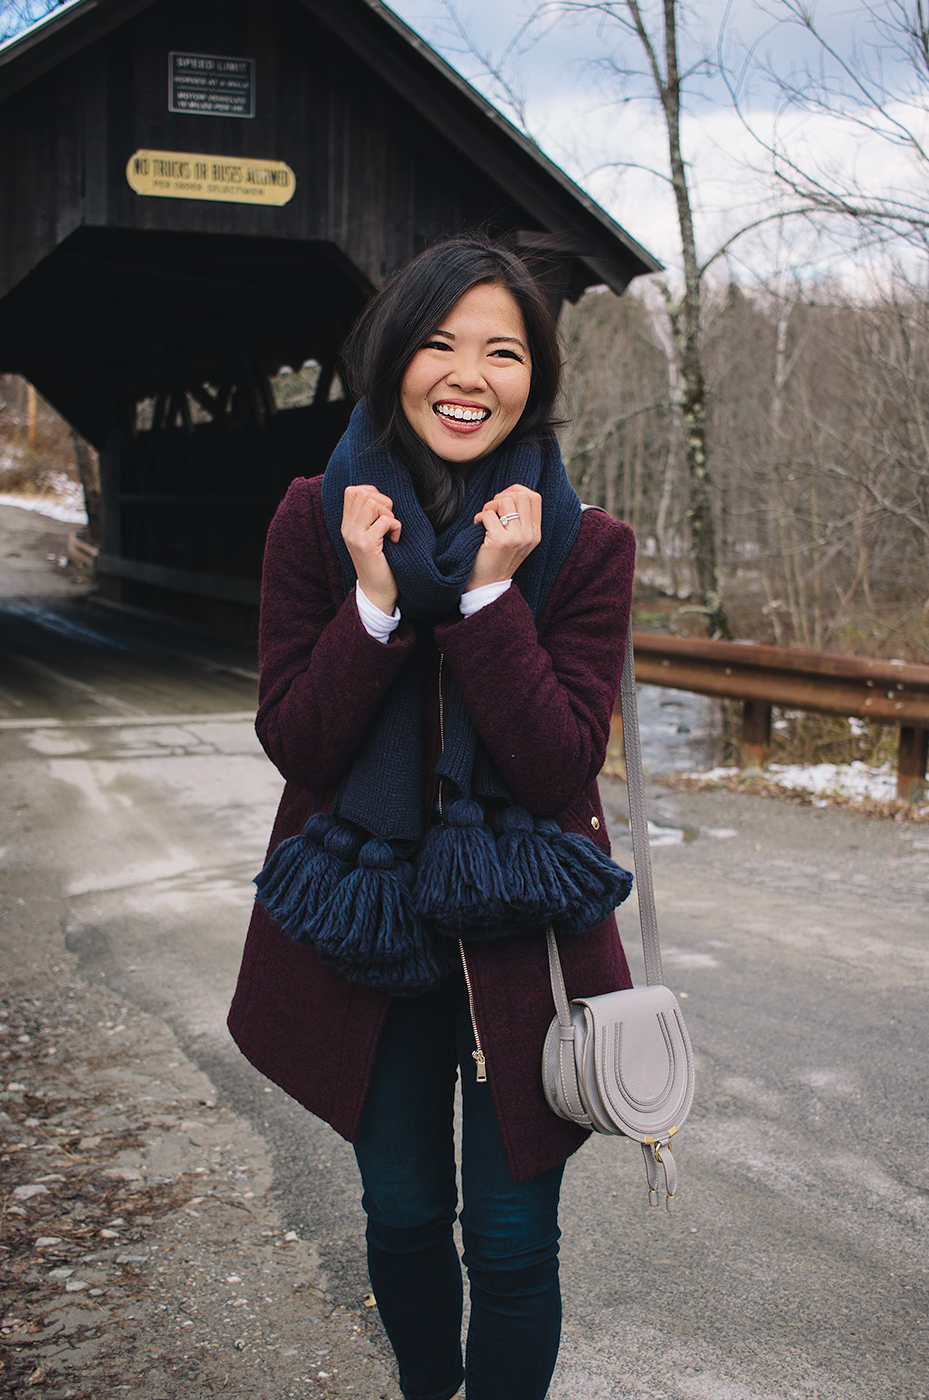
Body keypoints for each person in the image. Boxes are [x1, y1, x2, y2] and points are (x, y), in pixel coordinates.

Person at [228, 235, 636, 1400]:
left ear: (534, 377)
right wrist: (371, 602)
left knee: (511, 1244)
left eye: (502, 350)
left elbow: (559, 766)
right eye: (440, 343)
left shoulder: (584, 544)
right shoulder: (314, 519)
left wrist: (495, 594)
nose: (470, 374)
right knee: (404, 1216)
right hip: (373, 937)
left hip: (523, 947)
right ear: (392, 358)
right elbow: (299, 745)